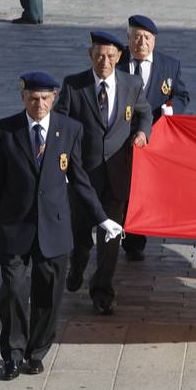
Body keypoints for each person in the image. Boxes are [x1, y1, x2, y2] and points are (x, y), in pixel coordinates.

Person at [0, 71, 122, 380]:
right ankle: (12, 355)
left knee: (48, 294)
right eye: (33, 98)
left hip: (54, 228)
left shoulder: (70, 130)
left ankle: (36, 351)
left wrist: (102, 218)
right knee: (14, 291)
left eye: (45, 98)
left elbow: (80, 180)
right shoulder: (5, 131)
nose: (39, 104)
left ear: (55, 98)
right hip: (14, 227)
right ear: (23, 98)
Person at [55, 31, 153, 315]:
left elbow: (144, 113)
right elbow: (60, 123)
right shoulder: (75, 86)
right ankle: (78, 265)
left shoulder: (131, 84)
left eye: (110, 56)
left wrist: (143, 133)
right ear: (90, 56)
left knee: (110, 237)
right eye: (99, 56)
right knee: (80, 235)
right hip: (84, 178)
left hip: (116, 177)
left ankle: (102, 291)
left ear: (119, 57)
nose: (104, 62)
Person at [116, 14, 190, 261]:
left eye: (146, 38)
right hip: (119, 137)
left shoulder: (169, 66)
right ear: (128, 39)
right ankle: (117, 231)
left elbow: (182, 95)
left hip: (152, 138)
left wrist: (172, 109)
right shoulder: (116, 61)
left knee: (143, 189)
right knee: (121, 187)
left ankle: (135, 241)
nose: (141, 43)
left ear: (154, 41)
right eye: (136, 37)